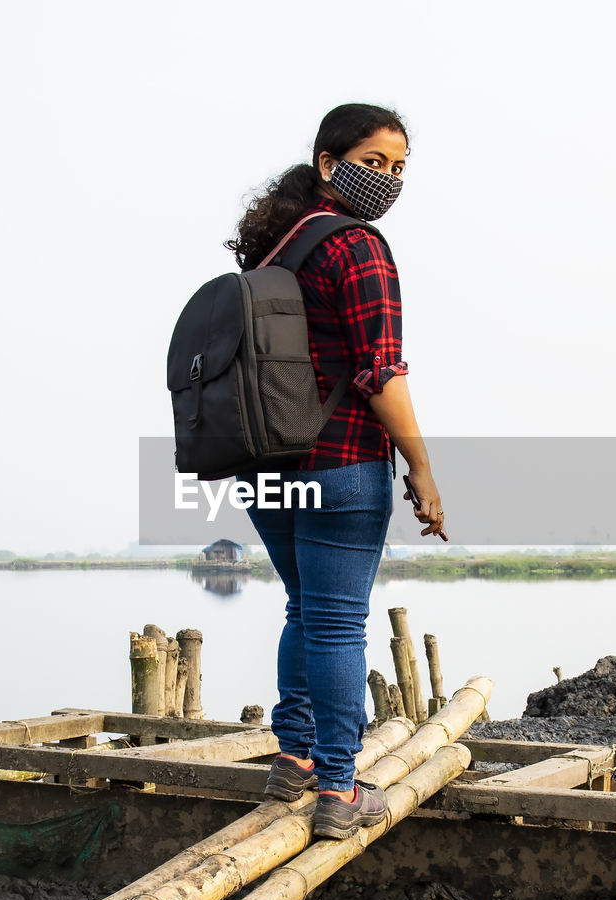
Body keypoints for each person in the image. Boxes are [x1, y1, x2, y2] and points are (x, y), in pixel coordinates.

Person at [226, 103, 446, 839]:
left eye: (400, 168)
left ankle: (293, 757)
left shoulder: (274, 252)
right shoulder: (358, 249)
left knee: (305, 611)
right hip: (341, 462)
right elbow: (381, 373)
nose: (389, 180)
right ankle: (341, 789)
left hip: (264, 466)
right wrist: (420, 466)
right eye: (375, 162)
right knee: (338, 624)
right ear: (329, 163)